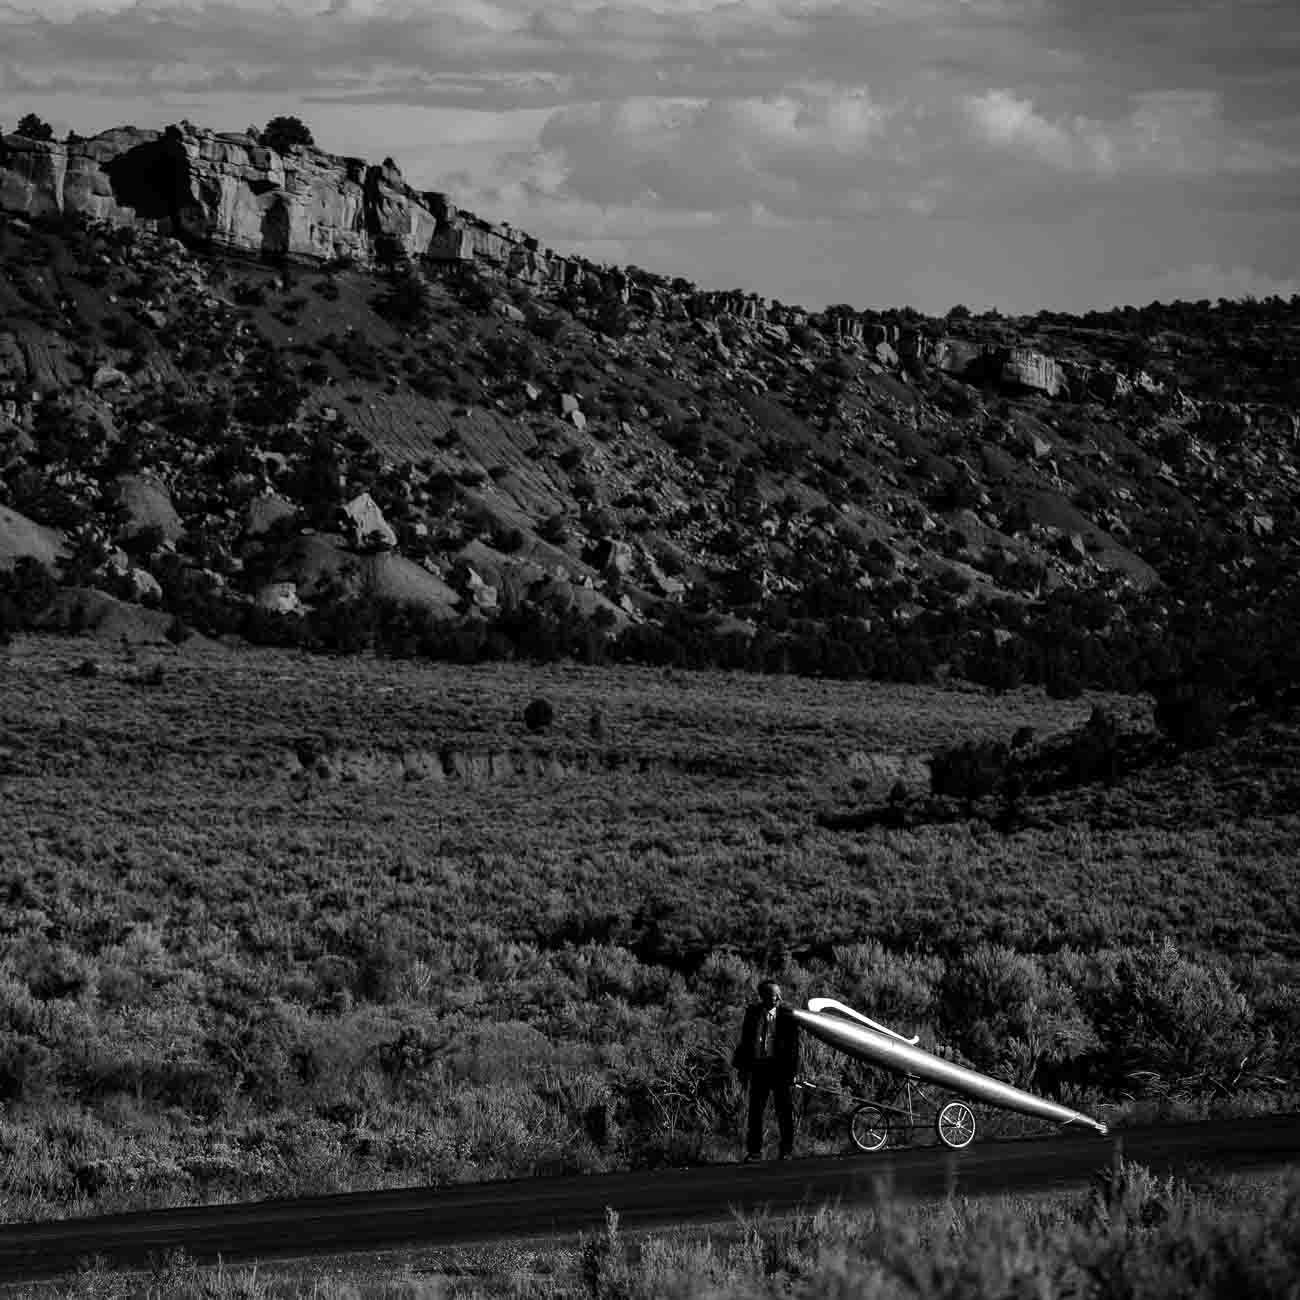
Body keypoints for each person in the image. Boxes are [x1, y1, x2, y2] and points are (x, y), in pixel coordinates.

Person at [732, 978, 801, 1162]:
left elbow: (794, 1047)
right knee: (755, 1112)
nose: (778, 997)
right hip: (759, 1068)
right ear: (762, 996)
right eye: (773, 994)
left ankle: (787, 1150)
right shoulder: (753, 1013)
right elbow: (745, 1041)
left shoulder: (787, 1015)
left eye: (779, 993)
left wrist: (793, 1072)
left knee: (784, 1111)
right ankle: (755, 1152)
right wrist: (741, 1067)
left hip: (780, 1070)